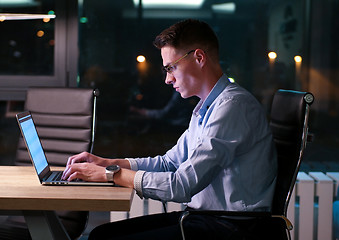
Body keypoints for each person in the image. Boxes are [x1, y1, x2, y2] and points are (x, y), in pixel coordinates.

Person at [62, 19, 277, 239]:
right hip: (206, 219)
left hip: (231, 228)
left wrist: (110, 175)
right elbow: (169, 163)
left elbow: (182, 185)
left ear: (199, 57)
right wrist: (109, 163)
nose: (167, 79)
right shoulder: (207, 107)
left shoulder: (233, 107)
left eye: (171, 68)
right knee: (102, 234)